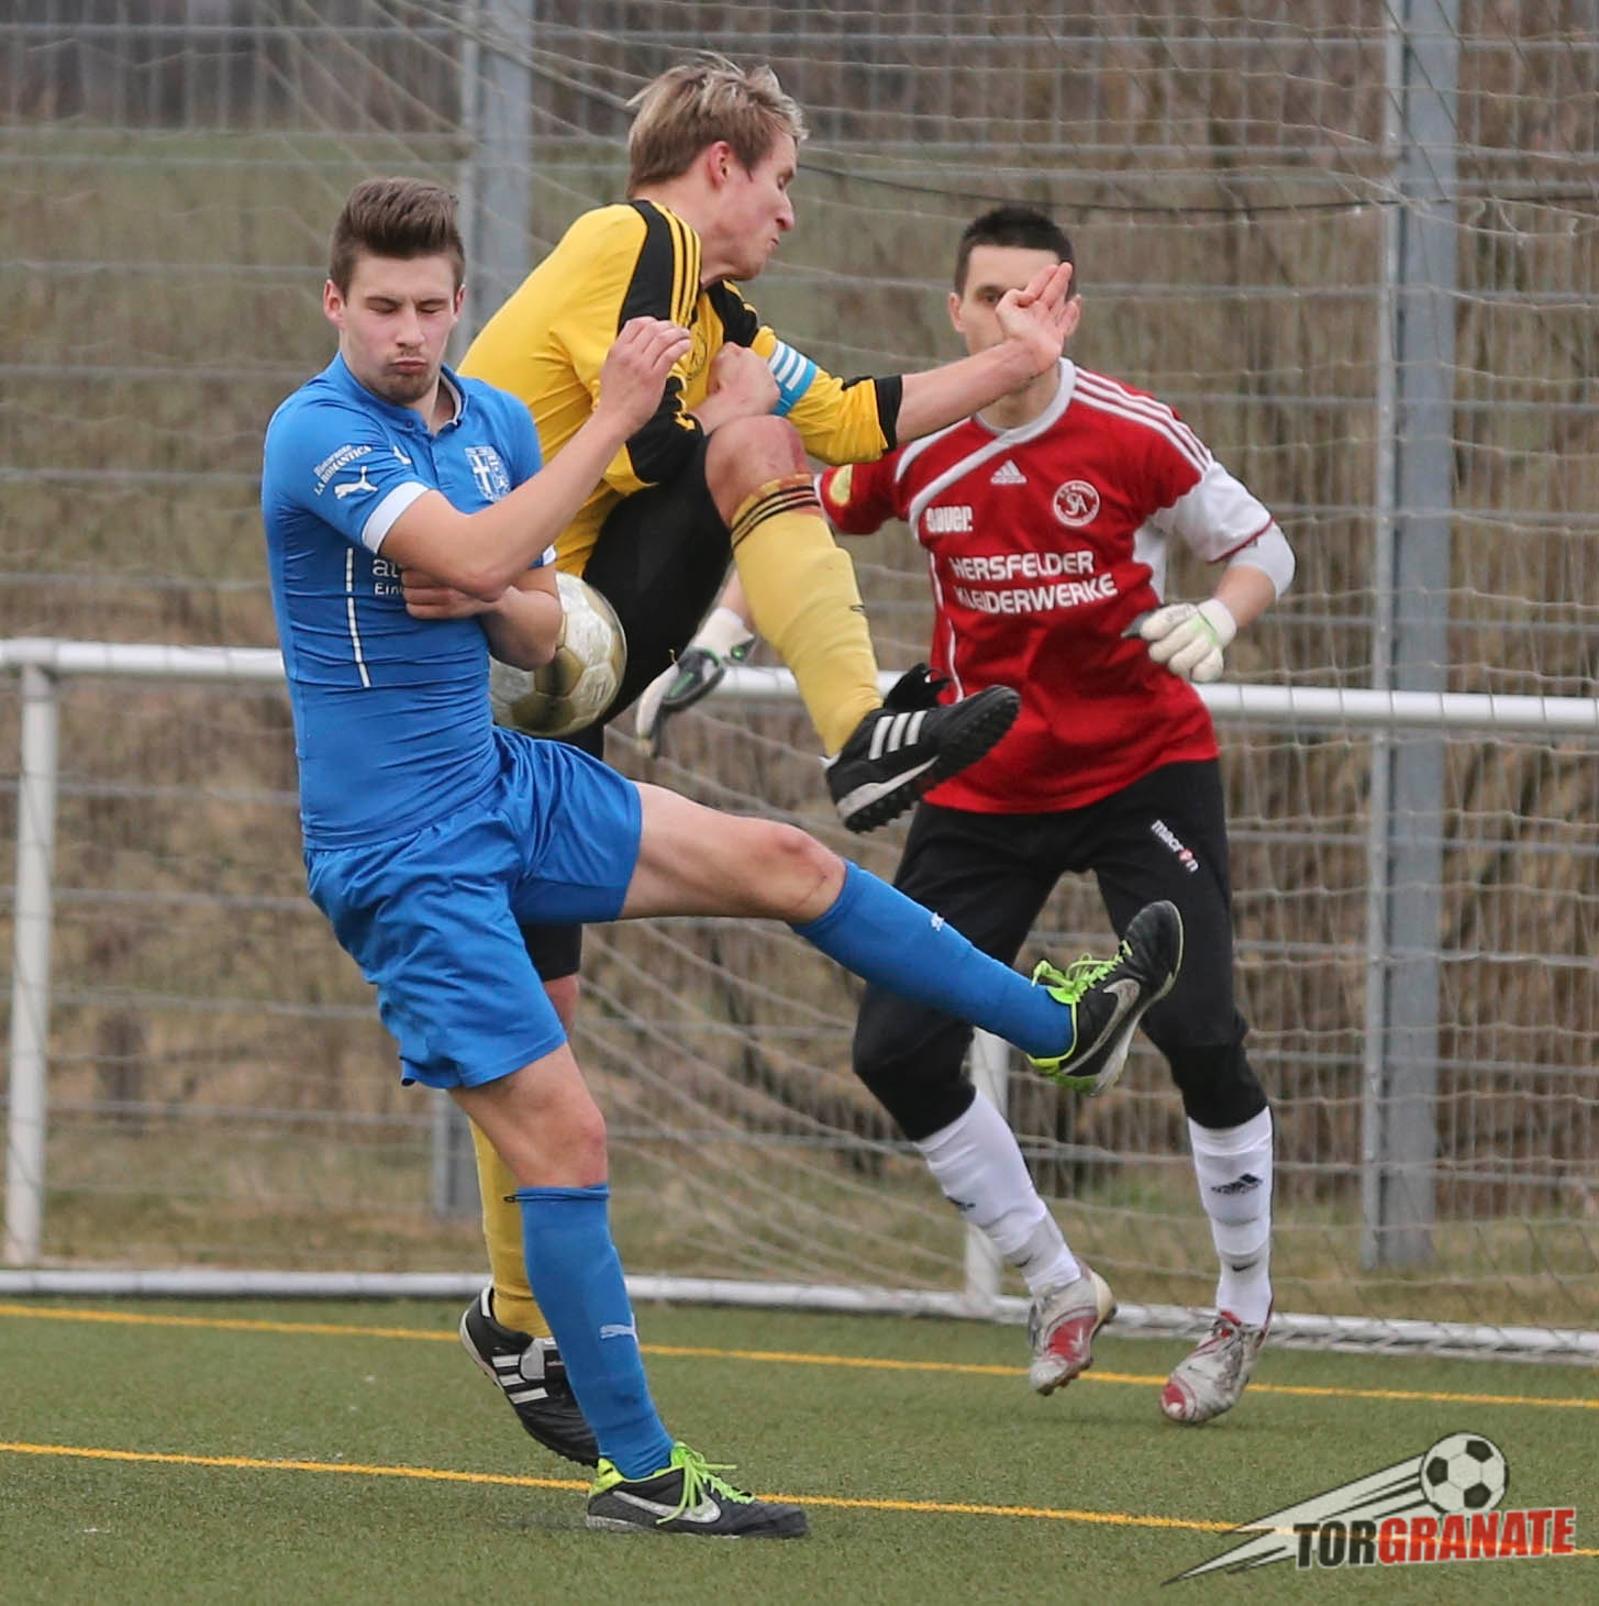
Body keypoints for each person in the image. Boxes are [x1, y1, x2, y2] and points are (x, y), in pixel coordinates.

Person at [261, 176, 1184, 1536]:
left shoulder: (493, 422)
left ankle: (1058, 1025)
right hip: (402, 850)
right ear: (334, 304)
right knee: (569, 1134)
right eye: (380, 307)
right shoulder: (317, 432)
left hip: (506, 782)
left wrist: (503, 590)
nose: (406, 333)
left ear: (459, 305)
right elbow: (475, 547)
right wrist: (600, 435)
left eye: (429, 307)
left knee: (784, 861)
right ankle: (640, 1472)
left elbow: (535, 620)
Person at [452, 55, 1077, 1436]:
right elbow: (662, 447)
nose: (790, 211)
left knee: (539, 1030)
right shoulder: (635, 240)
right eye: (781, 180)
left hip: (556, 678)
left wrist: (1014, 361)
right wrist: (739, 409)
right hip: (505, 645)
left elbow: (841, 419)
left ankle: (511, 1319)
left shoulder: (707, 302)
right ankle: (860, 732)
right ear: (719, 167)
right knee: (745, 443)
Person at [653, 206, 1294, 1424]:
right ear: (957, 313)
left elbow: (1263, 547)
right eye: (991, 296)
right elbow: (786, 511)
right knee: (895, 1048)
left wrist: (1222, 614)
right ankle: (1056, 1279)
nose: (1013, 317)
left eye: (1035, 296)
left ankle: (1241, 1306)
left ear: (1069, 312)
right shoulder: (919, 440)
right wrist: (722, 630)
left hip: (1142, 771)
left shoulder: (1133, 431)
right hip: (983, 783)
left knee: (1198, 1025)